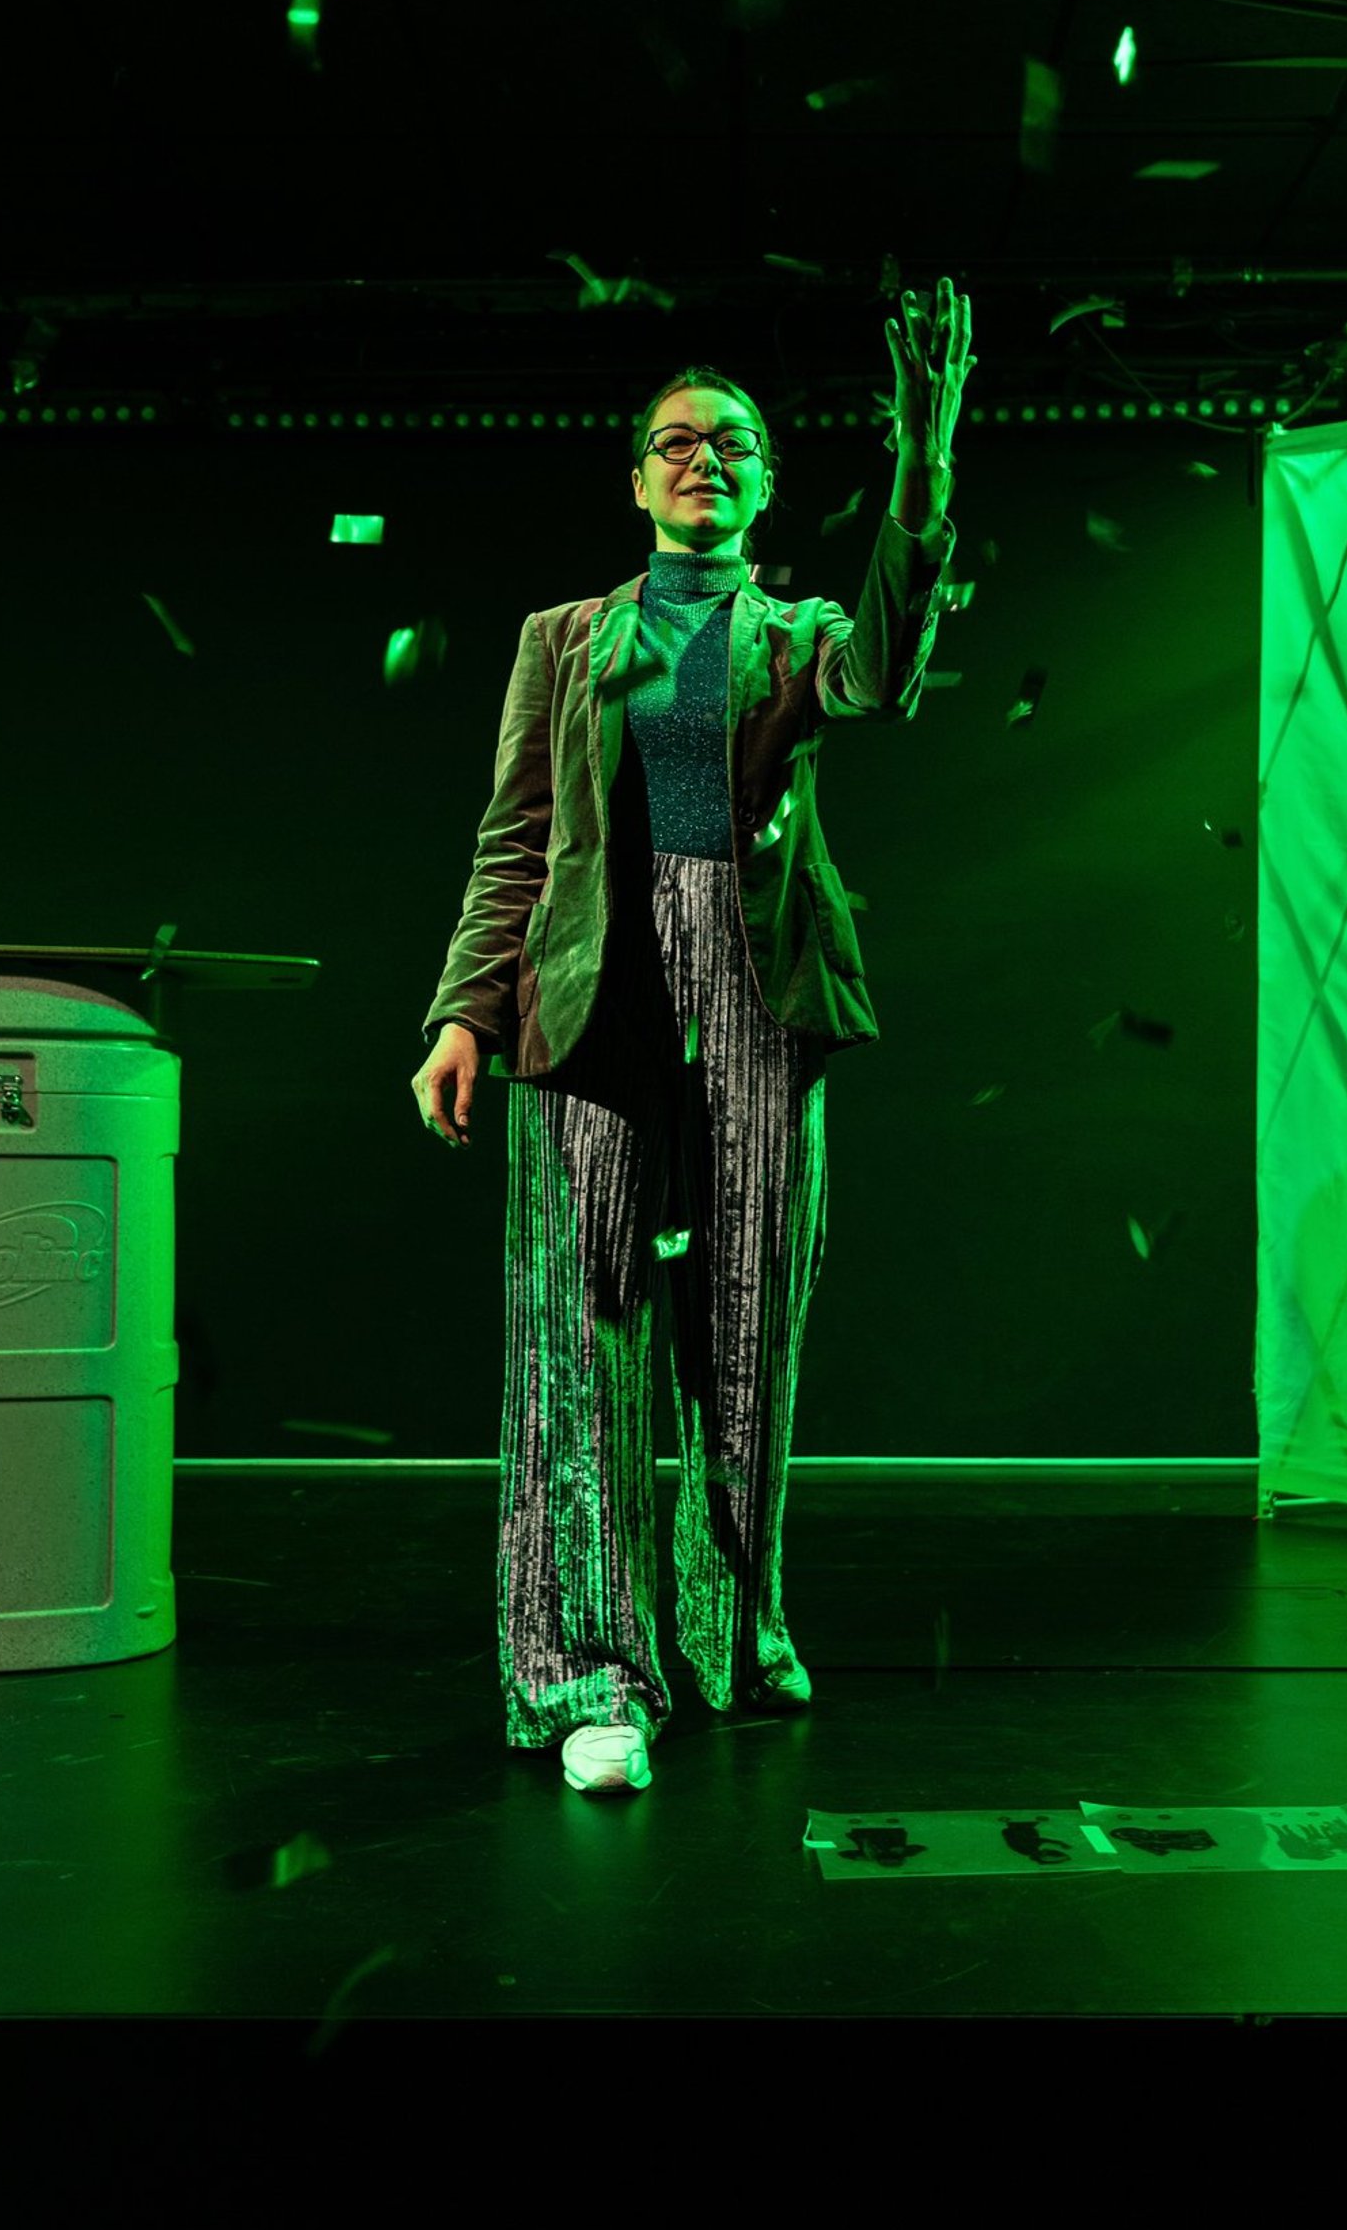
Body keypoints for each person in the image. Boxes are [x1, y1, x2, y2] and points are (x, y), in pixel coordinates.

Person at [413, 279, 973, 1792]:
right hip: (588, 996)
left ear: (767, 478)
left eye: (731, 442)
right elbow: (514, 838)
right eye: (675, 441)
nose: (702, 459)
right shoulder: (565, 640)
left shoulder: (793, 633)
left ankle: (725, 1632)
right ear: (638, 473)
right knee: (581, 1336)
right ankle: (587, 1671)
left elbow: (888, 669)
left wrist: (925, 453)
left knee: (744, 1324)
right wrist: (464, 1014)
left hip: (752, 987)